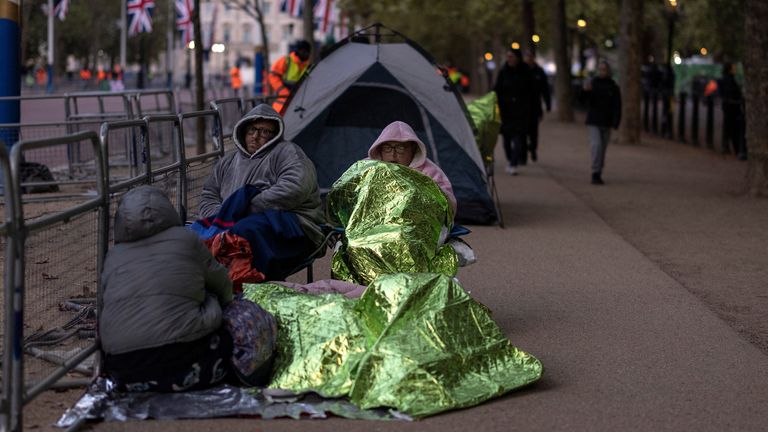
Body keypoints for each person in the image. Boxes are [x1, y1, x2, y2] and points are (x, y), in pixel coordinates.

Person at [100, 186, 235, 392]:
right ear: (167, 210)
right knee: (230, 328)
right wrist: (222, 304)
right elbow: (222, 284)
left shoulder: (113, 256)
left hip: (124, 371)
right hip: (183, 361)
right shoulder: (186, 239)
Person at [198, 104, 325, 281]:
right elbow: (209, 194)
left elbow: (295, 188)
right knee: (193, 237)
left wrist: (244, 208)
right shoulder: (228, 162)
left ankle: (253, 285)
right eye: (252, 130)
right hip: (234, 223)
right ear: (243, 130)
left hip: (296, 226)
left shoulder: (287, 152)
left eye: (264, 132)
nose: (256, 136)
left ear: (275, 134)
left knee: (245, 232)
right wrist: (223, 215)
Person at [367, 120, 457, 213]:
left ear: (413, 149)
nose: (393, 154)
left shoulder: (429, 172)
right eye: (387, 148)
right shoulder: (368, 168)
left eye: (400, 148)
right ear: (379, 149)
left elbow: (449, 205)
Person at [493, 48, 537, 176]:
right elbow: (497, 90)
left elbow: (533, 92)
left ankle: (513, 162)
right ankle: (510, 158)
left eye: (511, 56)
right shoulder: (503, 72)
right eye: (508, 56)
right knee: (506, 139)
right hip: (506, 112)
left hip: (521, 111)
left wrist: (534, 110)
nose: (509, 59)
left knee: (518, 137)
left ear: (517, 58)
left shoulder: (527, 72)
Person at [582, 60, 622, 185]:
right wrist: (586, 91)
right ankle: (594, 171)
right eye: (600, 69)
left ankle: (599, 171)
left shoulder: (613, 87)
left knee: (602, 149)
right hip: (594, 120)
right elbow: (583, 101)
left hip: (607, 122)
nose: (602, 72)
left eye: (604, 69)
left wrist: (616, 122)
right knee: (596, 146)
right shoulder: (593, 84)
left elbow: (617, 106)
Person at [523, 49, 552, 163]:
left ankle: (533, 148)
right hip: (523, 107)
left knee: (534, 131)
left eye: (531, 56)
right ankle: (523, 152)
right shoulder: (521, 71)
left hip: (535, 107)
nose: (529, 59)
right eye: (527, 56)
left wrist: (548, 103)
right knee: (523, 131)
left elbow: (545, 89)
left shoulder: (539, 71)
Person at [268, 40, 311, 114]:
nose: (306, 54)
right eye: (304, 51)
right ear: (298, 50)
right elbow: (273, 75)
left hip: (300, 100)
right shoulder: (286, 60)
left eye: (308, 52)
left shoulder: (308, 66)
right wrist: (283, 91)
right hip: (284, 100)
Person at [719, 62, 747, 160]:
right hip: (732, 107)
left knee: (729, 127)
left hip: (730, 107)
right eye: (733, 68)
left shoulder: (727, 79)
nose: (735, 70)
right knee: (733, 127)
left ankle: (730, 147)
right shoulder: (729, 80)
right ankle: (737, 149)